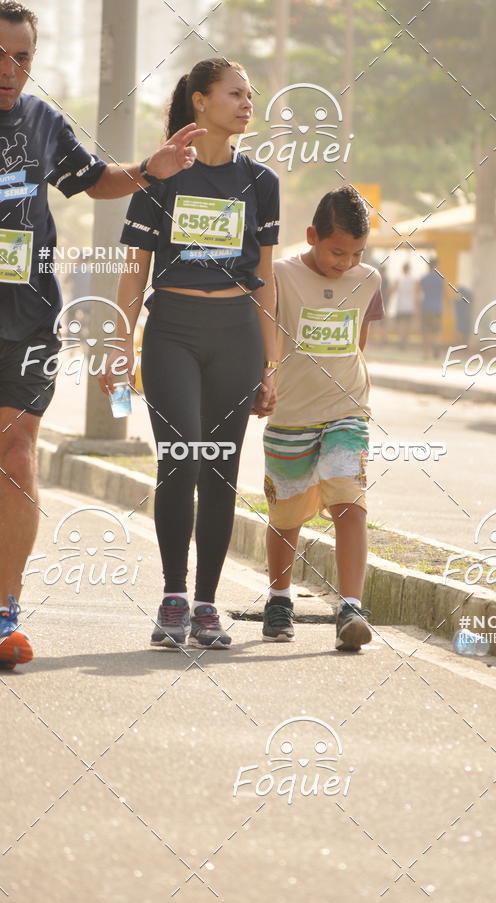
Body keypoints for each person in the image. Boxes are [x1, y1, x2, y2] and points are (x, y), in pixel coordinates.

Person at [0, 0, 205, 669]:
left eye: (22, 58)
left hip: (28, 319)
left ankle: (4, 612)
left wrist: (150, 169)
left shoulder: (41, 121)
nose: (9, 70)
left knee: (16, 454)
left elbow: (94, 182)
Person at [101, 58, 279, 650]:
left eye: (250, 96)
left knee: (222, 468)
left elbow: (266, 281)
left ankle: (207, 605)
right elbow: (134, 272)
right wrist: (119, 344)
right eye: (235, 94)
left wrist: (271, 364)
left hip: (237, 334)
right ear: (200, 101)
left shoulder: (262, 182)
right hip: (173, 331)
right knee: (181, 460)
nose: (247, 104)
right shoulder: (159, 175)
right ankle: (173, 596)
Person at [261, 186, 384, 652]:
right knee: (286, 514)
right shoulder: (279, 275)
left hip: (346, 411)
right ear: (312, 236)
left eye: (356, 253)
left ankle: (351, 607)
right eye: (337, 251)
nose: (346, 263)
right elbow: (266, 338)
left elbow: (358, 342)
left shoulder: (368, 280)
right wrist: (263, 380)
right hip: (290, 414)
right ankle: (279, 599)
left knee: (350, 501)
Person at [419, 257, 444, 358]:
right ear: (436, 266)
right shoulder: (441, 278)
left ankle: (426, 353)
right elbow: (445, 293)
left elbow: (418, 293)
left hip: (426, 307)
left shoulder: (424, 278)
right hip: (437, 308)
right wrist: (450, 308)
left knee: (426, 331)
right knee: (437, 331)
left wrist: (417, 307)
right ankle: (436, 346)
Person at [391, 261, 417, 348]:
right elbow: (416, 293)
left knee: (401, 324)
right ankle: (406, 342)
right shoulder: (413, 280)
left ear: (402, 269)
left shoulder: (398, 279)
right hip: (410, 306)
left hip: (400, 305)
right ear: (409, 269)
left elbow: (392, 291)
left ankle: (401, 341)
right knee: (408, 325)